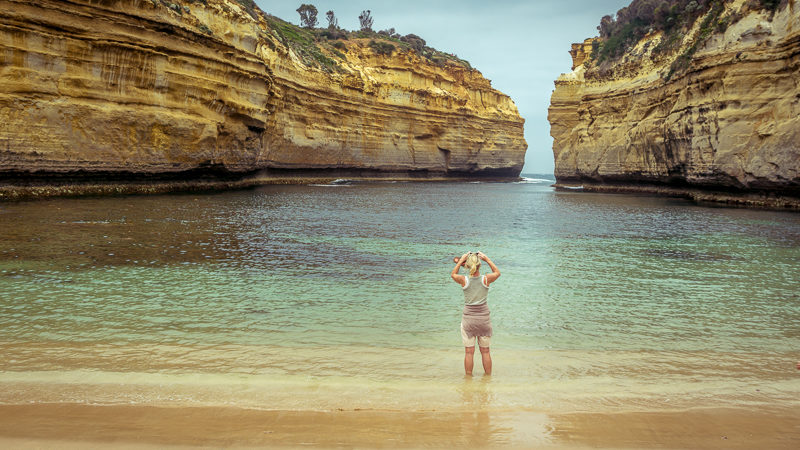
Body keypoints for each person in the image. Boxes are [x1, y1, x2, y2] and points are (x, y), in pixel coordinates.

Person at [451, 251, 500, 376]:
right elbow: (497, 273)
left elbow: (453, 274)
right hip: (484, 320)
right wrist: (487, 259)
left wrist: (461, 260)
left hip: (469, 320)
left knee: (469, 352)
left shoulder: (464, 280)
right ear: (479, 265)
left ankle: (468, 380)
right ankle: (488, 380)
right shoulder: (486, 279)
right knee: (485, 352)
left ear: (467, 265)